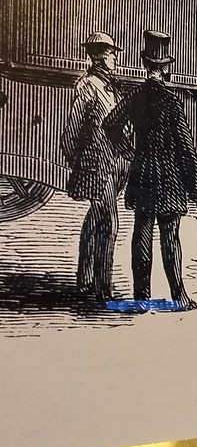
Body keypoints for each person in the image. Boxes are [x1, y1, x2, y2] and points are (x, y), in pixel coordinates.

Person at [104, 30, 197, 309]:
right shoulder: (172, 102)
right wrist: (194, 186)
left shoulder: (135, 96)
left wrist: (127, 151)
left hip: (143, 174)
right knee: (170, 238)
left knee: (141, 236)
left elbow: (110, 124)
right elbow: (186, 148)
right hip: (170, 178)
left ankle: (141, 299)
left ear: (146, 65)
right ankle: (179, 297)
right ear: (166, 68)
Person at [61, 31, 128, 303]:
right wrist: (78, 161)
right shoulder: (88, 85)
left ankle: (86, 279)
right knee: (109, 223)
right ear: (99, 56)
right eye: (112, 54)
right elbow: (72, 130)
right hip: (97, 165)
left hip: (114, 163)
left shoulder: (111, 86)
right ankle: (103, 288)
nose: (115, 58)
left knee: (95, 219)